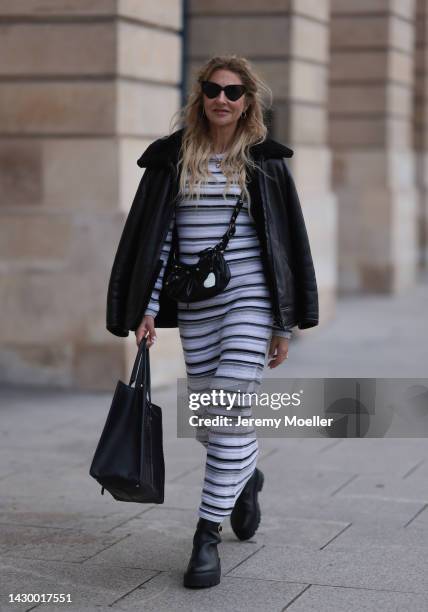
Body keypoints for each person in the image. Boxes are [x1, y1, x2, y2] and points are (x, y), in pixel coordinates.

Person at [106, 54, 318, 589]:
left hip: (249, 304)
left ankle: (204, 538)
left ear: (248, 101)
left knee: (224, 410)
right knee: (209, 420)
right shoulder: (173, 159)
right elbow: (160, 245)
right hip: (197, 309)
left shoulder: (264, 162)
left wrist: (281, 325)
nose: (221, 99)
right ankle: (245, 479)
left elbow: (284, 247)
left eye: (233, 91)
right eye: (212, 89)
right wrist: (147, 307)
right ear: (200, 96)